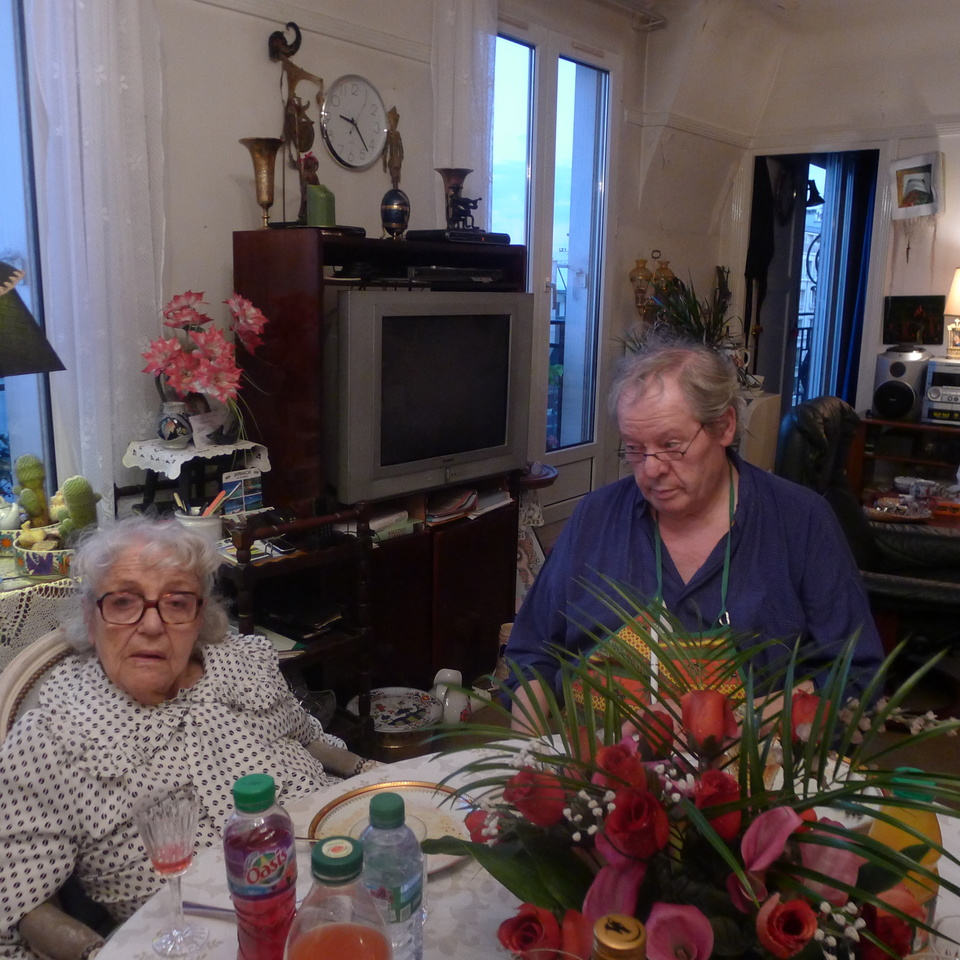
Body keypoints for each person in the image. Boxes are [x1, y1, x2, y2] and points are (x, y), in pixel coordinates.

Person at [0, 515, 374, 959]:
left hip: (346, 884)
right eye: (123, 601)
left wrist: (369, 773)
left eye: (176, 602)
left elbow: (308, 739)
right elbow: (19, 904)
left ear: (200, 616)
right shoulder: (53, 735)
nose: (151, 626)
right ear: (90, 615)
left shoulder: (242, 666)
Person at [505, 330, 884, 727]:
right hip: (592, 758)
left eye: (671, 445)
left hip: (749, 761)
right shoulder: (594, 517)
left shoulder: (801, 521)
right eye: (634, 448)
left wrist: (721, 725)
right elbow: (532, 653)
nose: (651, 469)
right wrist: (530, 747)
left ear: (724, 426)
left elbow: (854, 679)